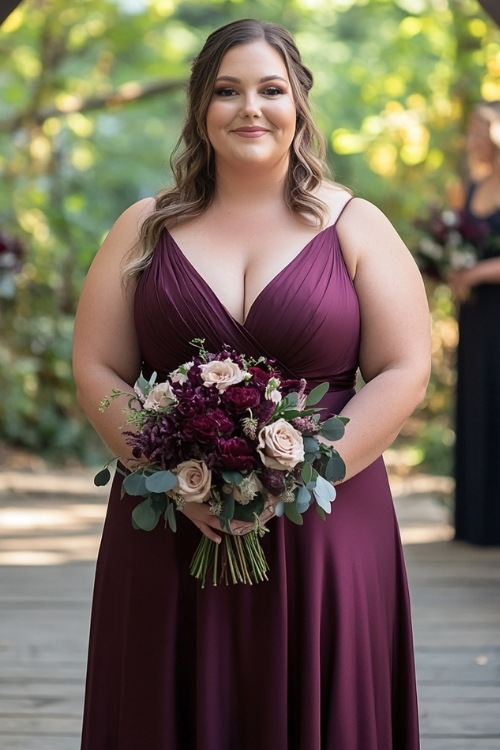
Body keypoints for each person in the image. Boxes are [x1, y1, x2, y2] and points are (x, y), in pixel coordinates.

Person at [73, 18, 430, 750]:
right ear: (201, 108)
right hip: (174, 517)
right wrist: (168, 475)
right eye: (227, 91)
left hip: (327, 520)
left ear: (298, 102)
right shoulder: (142, 229)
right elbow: (97, 367)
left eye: (271, 89)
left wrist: (298, 476)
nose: (250, 108)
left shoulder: (356, 225)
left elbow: (404, 369)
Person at [450, 101, 500, 546]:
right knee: (477, 402)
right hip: (477, 316)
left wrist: (478, 273)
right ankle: (475, 521)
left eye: (479, 130)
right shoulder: (473, 185)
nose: (473, 140)